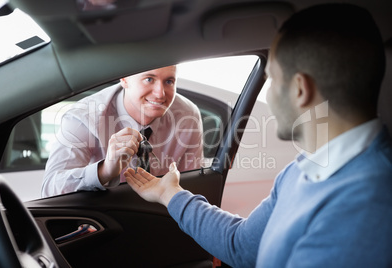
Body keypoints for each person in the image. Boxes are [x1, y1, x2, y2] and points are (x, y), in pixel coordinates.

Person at [124, 3, 392, 268]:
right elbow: (240, 245)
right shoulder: (301, 171)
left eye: (272, 79)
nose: (269, 94)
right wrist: (170, 193)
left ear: (300, 89)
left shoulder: (369, 203)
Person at [42, 66, 204, 197]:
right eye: (149, 79)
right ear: (124, 78)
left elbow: (193, 186)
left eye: (169, 81)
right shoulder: (84, 117)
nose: (160, 93)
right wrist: (104, 171)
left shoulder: (188, 115)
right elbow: (50, 190)